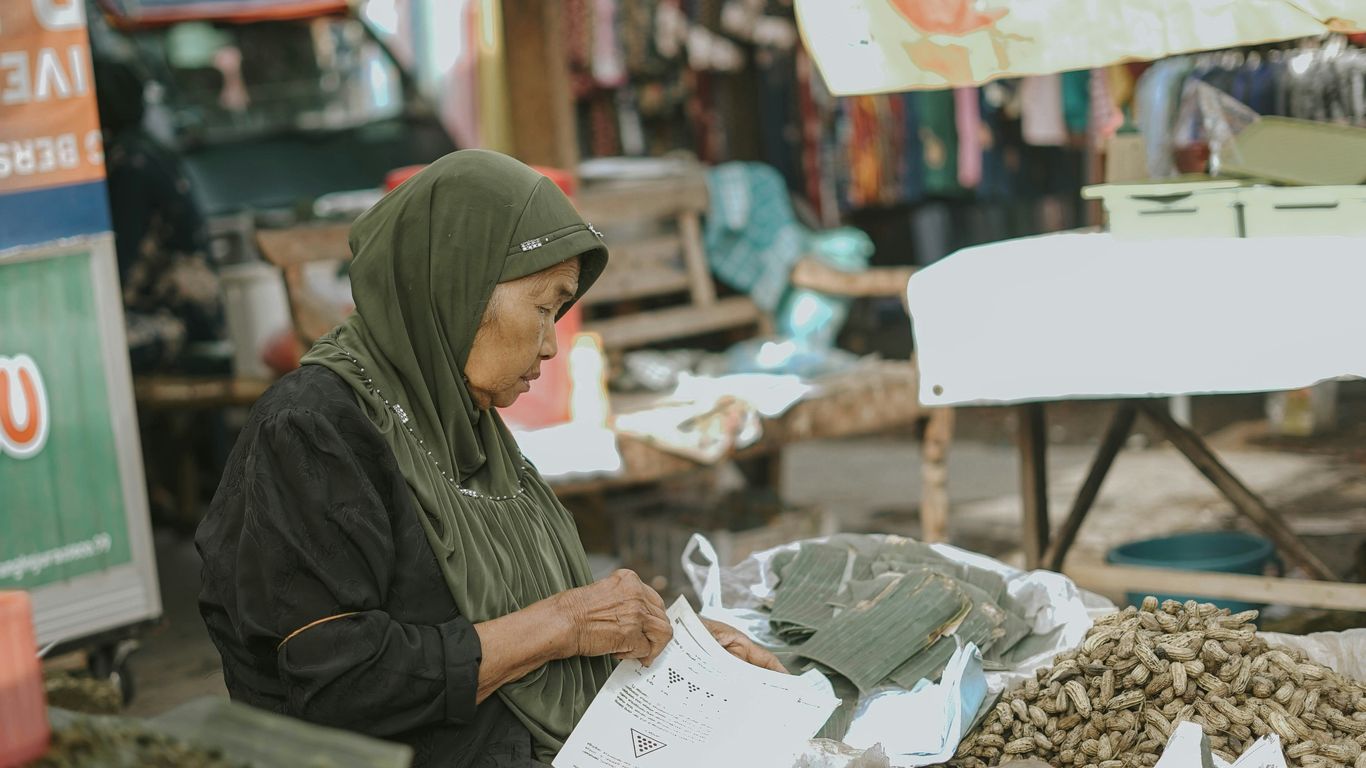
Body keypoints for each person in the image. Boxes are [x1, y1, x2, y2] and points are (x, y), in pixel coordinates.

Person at [196, 150, 782, 768]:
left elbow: (515, 611)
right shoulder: (313, 428)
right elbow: (337, 683)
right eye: (543, 306)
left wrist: (672, 648)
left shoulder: (457, 417)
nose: (552, 343)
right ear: (458, 285)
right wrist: (566, 623)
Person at [94, 56, 225, 373]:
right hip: (181, 315)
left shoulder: (132, 165)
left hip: (179, 321)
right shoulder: (143, 152)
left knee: (88, 347)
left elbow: (120, 270)